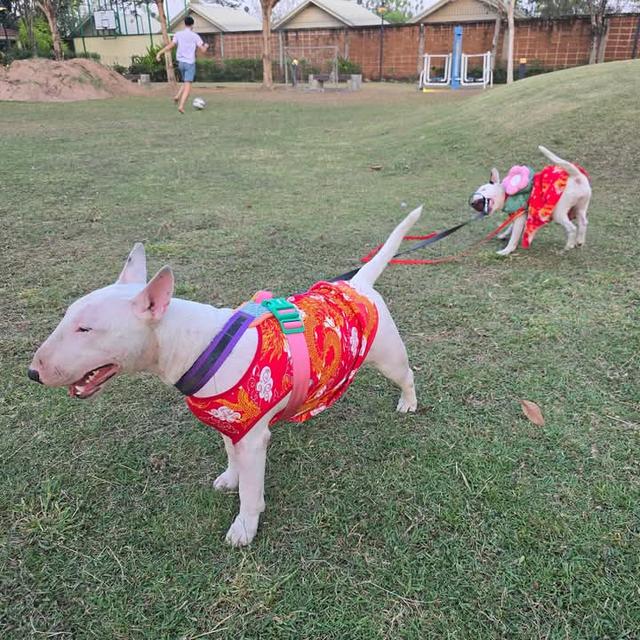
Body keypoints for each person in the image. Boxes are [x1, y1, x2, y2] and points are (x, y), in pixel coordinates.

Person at [156, 16, 208, 113]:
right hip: (190, 63)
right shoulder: (195, 36)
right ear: (192, 25)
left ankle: (177, 96)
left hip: (181, 63)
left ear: (184, 24)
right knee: (188, 87)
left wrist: (159, 53)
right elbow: (203, 50)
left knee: (185, 81)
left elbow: (171, 45)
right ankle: (181, 106)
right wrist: (206, 46)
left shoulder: (178, 34)